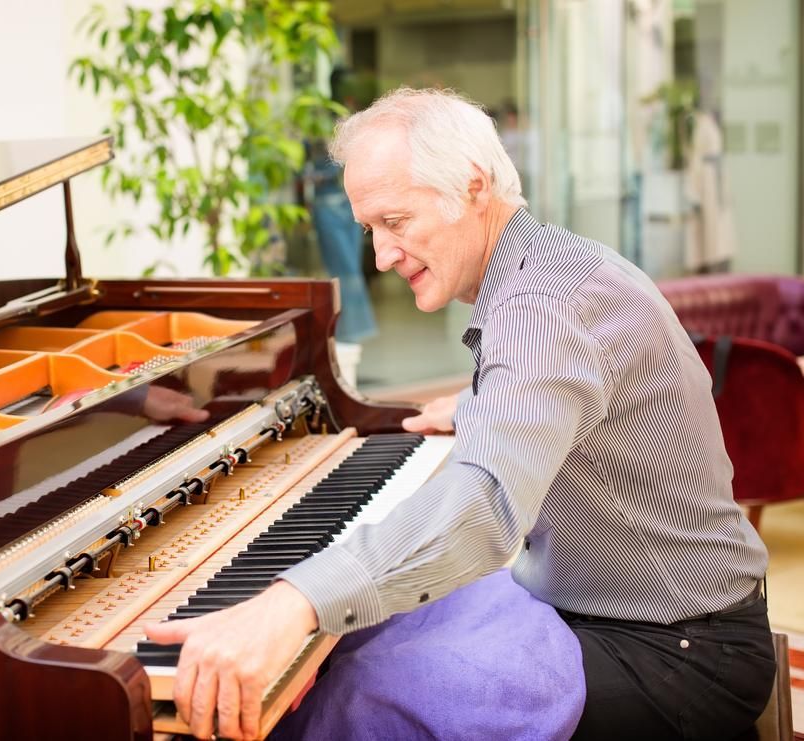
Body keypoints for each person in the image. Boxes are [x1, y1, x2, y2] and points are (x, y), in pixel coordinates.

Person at [144, 87, 775, 740]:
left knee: (361, 693)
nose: (381, 256)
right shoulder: (553, 268)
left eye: (395, 220)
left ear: (473, 186)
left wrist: (294, 601)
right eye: (370, 229)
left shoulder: (540, 308)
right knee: (360, 634)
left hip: (674, 654)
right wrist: (482, 405)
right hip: (625, 609)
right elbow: (574, 383)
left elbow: (485, 506)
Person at [300, 67, 378, 345]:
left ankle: (350, 330)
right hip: (327, 205)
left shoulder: (351, 118)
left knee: (351, 268)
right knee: (342, 269)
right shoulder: (318, 122)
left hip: (350, 206)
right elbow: (304, 165)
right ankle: (347, 331)